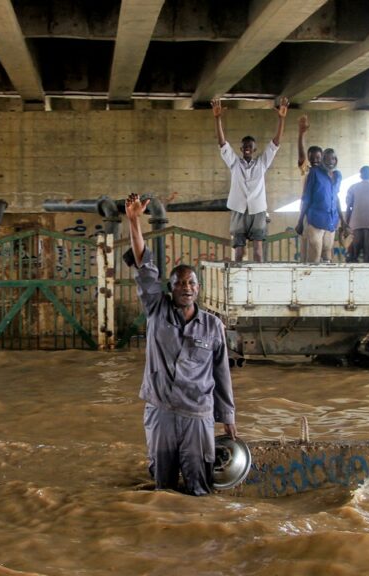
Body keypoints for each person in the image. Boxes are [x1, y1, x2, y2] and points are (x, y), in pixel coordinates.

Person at [125, 192, 238, 496]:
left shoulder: (213, 326)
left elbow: (221, 375)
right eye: (179, 282)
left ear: (198, 289)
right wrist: (134, 221)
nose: (186, 287)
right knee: (162, 485)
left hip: (197, 415)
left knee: (200, 483)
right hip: (161, 410)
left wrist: (227, 418)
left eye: (191, 283)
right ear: (170, 287)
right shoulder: (156, 310)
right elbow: (144, 266)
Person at [212, 96, 289, 262]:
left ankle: (257, 282)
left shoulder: (261, 163)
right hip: (239, 209)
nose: (247, 148)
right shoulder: (234, 163)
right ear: (241, 149)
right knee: (239, 253)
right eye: (245, 146)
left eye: (250, 146)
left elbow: (275, 144)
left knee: (258, 252)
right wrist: (218, 119)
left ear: (255, 149)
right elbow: (222, 144)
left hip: (258, 210)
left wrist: (281, 119)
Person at [296, 148, 342, 262]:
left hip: (331, 220)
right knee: (315, 253)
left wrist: (343, 221)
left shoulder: (337, 176)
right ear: (323, 160)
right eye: (326, 159)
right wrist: (300, 221)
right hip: (316, 219)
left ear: (336, 160)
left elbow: (335, 198)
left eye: (333, 159)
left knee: (327, 253)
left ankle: (325, 277)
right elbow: (306, 198)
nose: (330, 161)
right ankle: (311, 276)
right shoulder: (314, 173)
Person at [296, 115, 322, 261]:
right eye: (312, 158)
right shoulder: (307, 170)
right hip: (307, 212)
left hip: (320, 215)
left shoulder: (325, 174)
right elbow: (301, 156)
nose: (315, 161)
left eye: (318, 158)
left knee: (321, 250)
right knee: (306, 249)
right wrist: (301, 134)